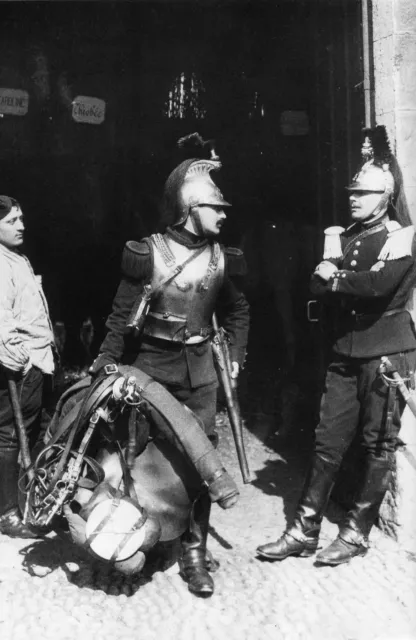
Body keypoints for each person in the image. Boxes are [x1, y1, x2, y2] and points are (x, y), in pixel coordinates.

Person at [256, 125, 416, 566]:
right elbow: (314, 284)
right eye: (352, 192)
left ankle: (355, 533)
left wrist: (337, 279)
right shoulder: (346, 236)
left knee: (377, 445)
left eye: (364, 193)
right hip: (345, 352)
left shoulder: (403, 236)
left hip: (387, 353)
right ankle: (303, 529)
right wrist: (335, 280)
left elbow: (380, 286)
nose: (354, 198)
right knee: (327, 440)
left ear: (385, 197)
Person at [90, 134, 249, 595]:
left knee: (201, 459)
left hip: (200, 373)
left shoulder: (221, 258)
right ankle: (142, 536)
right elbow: (121, 317)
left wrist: (234, 357)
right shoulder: (148, 252)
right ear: (189, 207)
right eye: (216, 207)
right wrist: (105, 362)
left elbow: (238, 311)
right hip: (150, 369)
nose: (223, 215)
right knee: (137, 455)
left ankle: (194, 553)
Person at [0, 195, 56, 538]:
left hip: (39, 361)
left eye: (21, 219)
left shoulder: (16, 258)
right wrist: (15, 356)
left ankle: (29, 502)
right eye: (12, 221)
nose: (21, 226)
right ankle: (7, 512)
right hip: (22, 365)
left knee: (35, 433)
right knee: (9, 436)